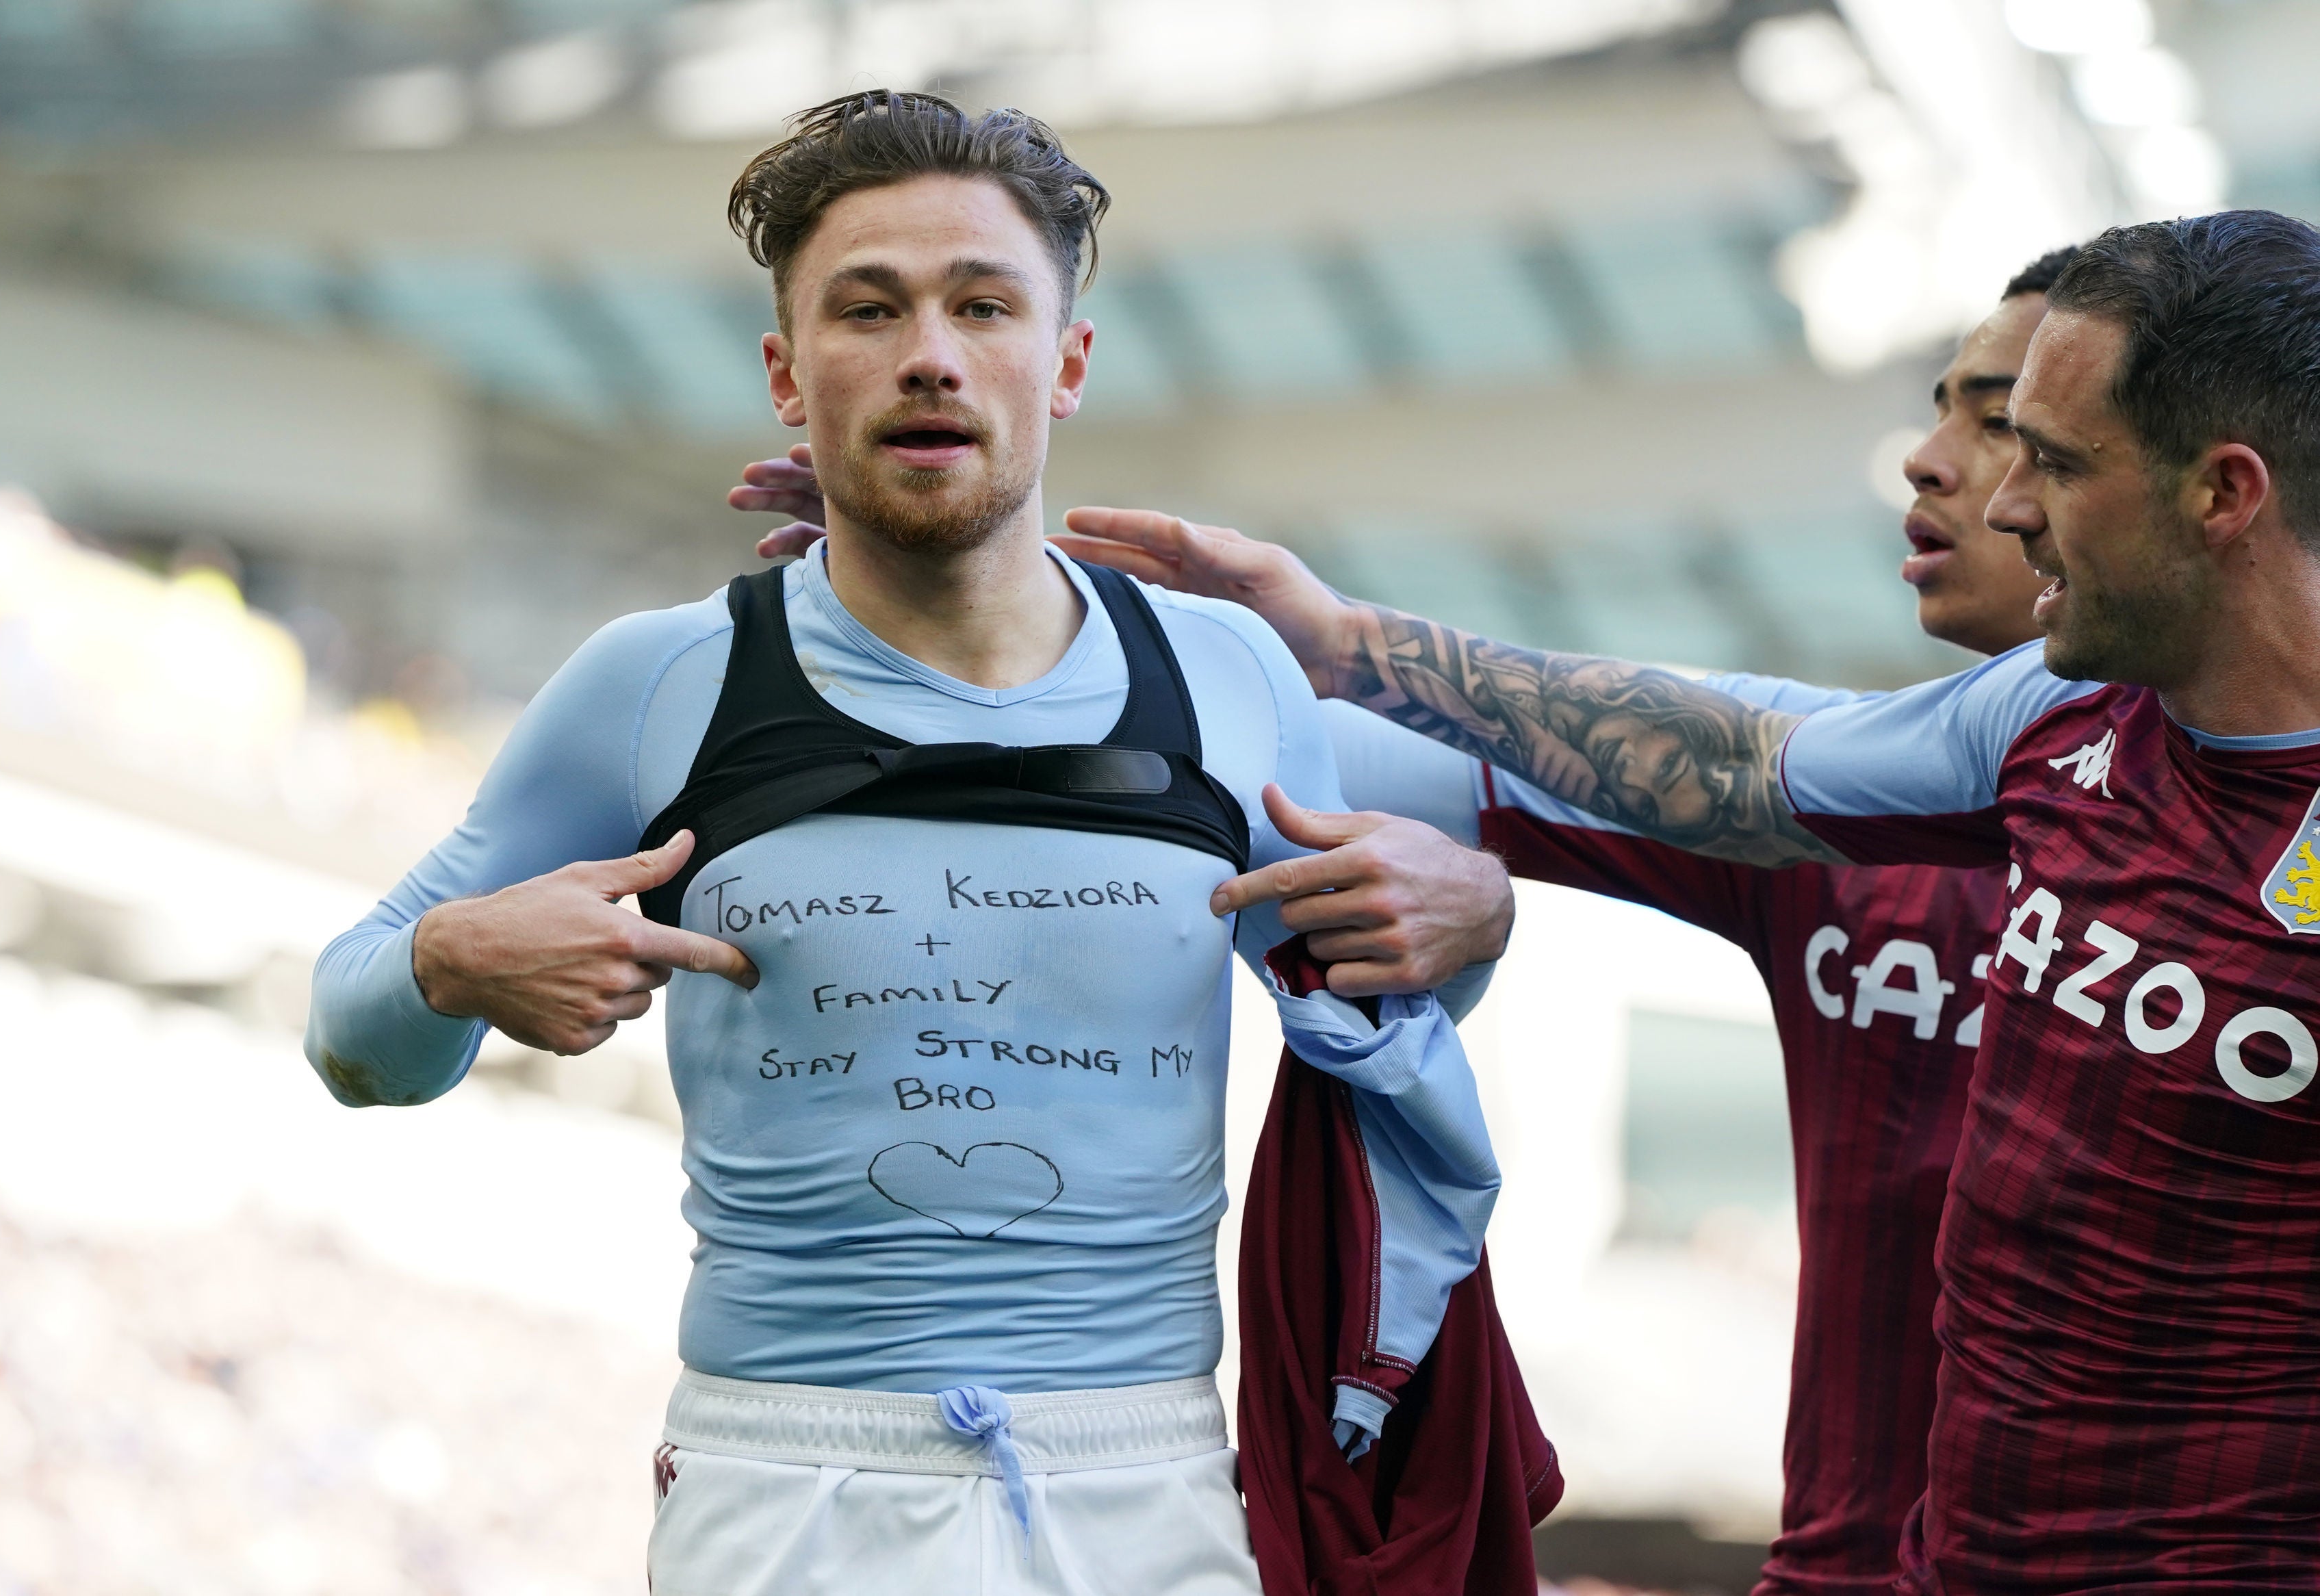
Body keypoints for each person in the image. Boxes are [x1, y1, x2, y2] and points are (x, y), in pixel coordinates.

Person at [302, 92, 1521, 1596]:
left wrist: (1480, 914)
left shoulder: (1229, 676)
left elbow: (1393, 968)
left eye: (983, 304)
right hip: (787, 1481)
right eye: (867, 309)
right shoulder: (660, 680)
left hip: (1144, 1481)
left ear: (1064, 364)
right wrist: (452, 958)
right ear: (787, 376)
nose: (929, 352)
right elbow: (353, 1037)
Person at [748, 248, 2078, 1594]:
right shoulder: (1820, 798)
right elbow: (1283, 770)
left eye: (2002, 419)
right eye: (1948, 408)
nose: (1928, 458)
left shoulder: (2280, 851)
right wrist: (960, 609)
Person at [1055, 214, 2320, 1592]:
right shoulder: (2047, 720)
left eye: (2054, 459)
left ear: (2222, 493)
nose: (2005, 495)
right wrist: (1015, 621)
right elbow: (1736, 750)